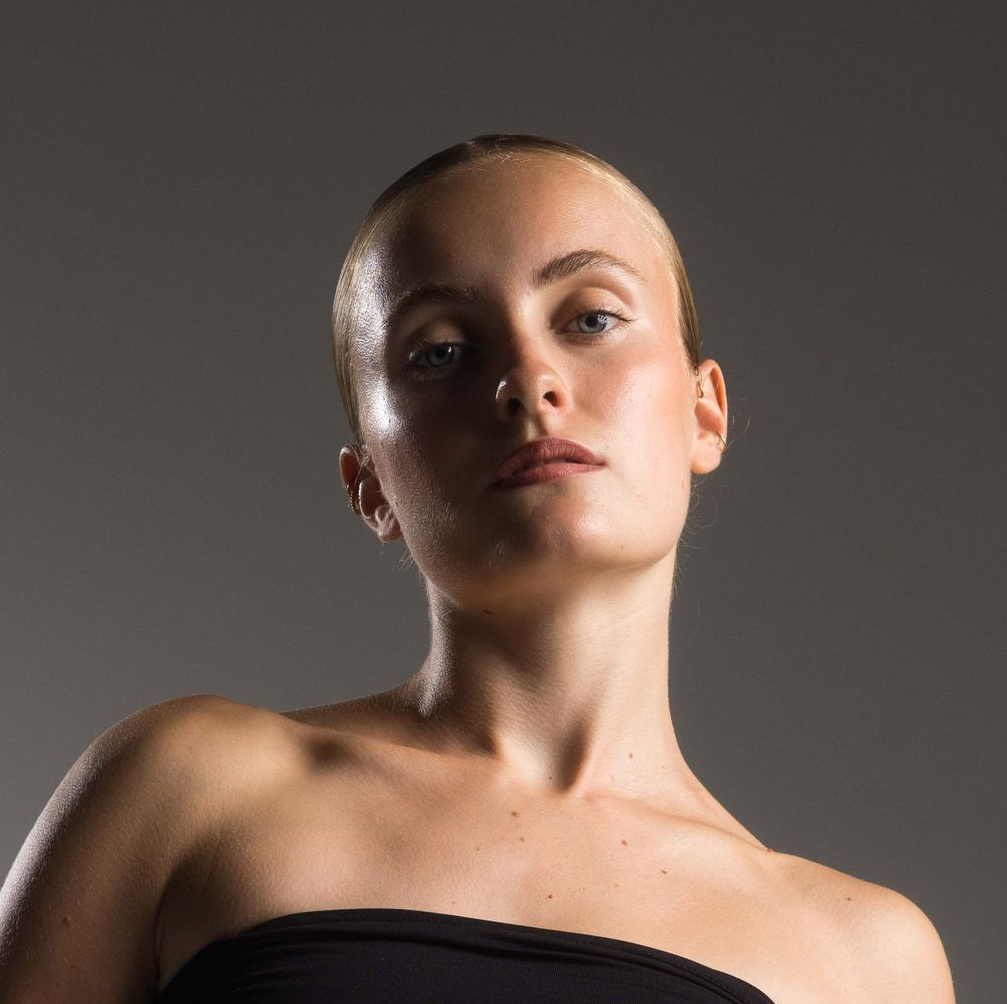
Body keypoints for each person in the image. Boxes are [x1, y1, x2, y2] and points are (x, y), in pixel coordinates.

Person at [0, 134, 955, 1004]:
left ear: (704, 413)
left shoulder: (865, 959)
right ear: (369, 484)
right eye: (441, 351)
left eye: (588, 319)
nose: (526, 381)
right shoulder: (188, 793)